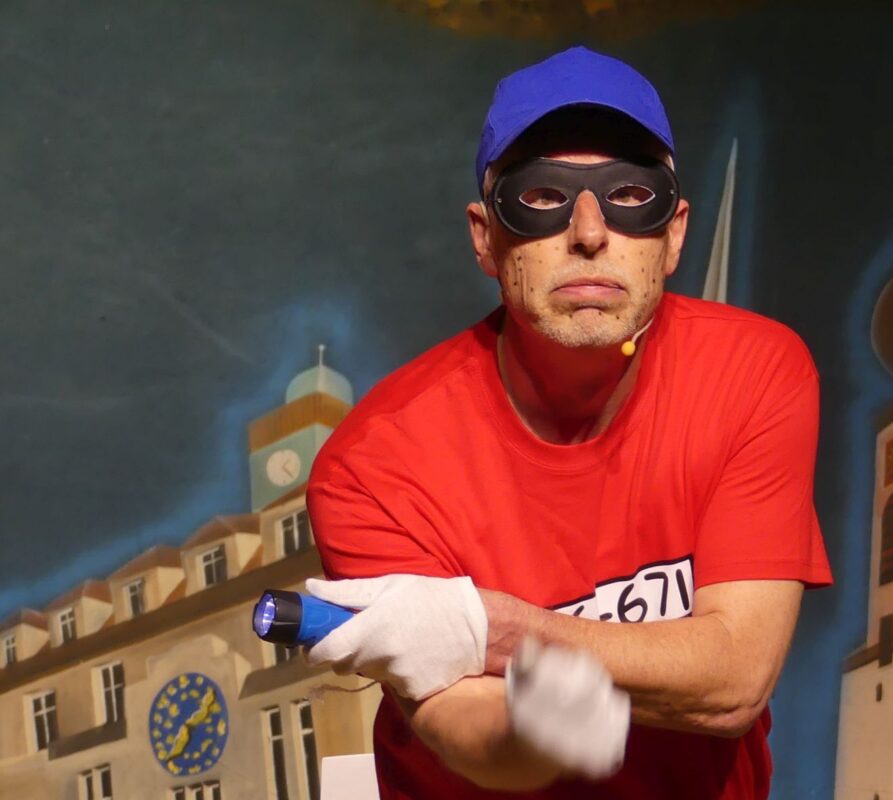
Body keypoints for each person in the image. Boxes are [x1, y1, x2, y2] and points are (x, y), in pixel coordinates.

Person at [305, 46, 832, 799]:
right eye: (544, 196)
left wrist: (496, 631)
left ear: (674, 235)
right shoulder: (374, 466)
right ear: (486, 238)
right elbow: (458, 723)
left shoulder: (754, 373)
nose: (589, 231)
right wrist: (534, 726)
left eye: (629, 194)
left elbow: (735, 679)